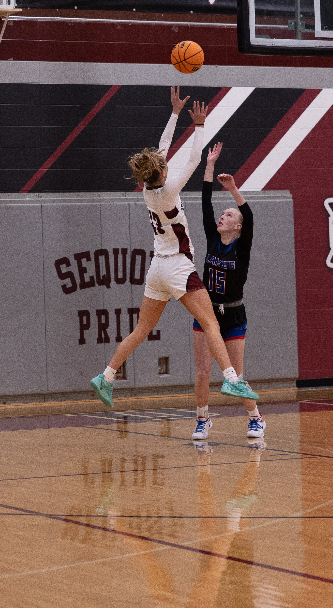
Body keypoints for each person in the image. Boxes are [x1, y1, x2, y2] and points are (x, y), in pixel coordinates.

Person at [90, 87, 259, 408]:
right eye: (164, 164)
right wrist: (199, 125)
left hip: (157, 269)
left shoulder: (148, 191)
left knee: (141, 329)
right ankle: (233, 380)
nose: (167, 162)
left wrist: (174, 113)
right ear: (162, 172)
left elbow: (161, 149)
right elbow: (194, 158)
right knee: (210, 323)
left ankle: (106, 376)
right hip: (179, 267)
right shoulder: (169, 190)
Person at [191, 142, 264, 440]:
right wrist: (209, 165)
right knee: (202, 373)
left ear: (238, 226)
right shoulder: (212, 238)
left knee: (237, 375)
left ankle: (255, 417)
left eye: (229, 215)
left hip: (233, 313)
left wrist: (234, 188)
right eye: (223, 214)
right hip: (206, 311)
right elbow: (206, 200)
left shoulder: (241, 246)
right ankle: (202, 419)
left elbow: (250, 214)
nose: (223, 216)